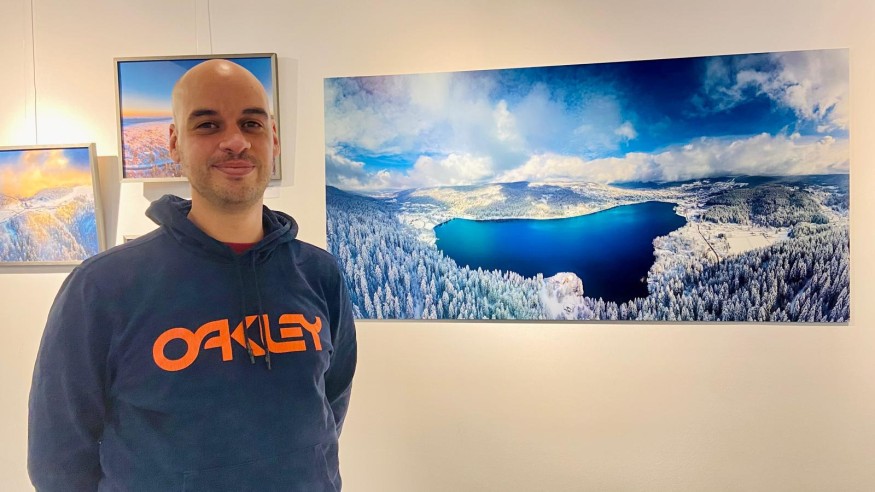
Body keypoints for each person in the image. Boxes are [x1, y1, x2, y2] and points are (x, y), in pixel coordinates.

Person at [28, 59, 357, 491]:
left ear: (273, 139)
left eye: (251, 123)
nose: (235, 141)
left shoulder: (319, 273)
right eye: (207, 125)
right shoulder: (102, 287)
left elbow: (330, 404)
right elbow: (59, 459)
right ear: (175, 143)